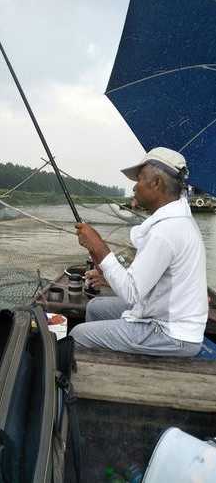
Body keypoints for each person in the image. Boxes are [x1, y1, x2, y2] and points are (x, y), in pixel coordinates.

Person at [70, 147, 208, 357]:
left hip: (173, 333)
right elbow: (145, 282)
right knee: (95, 307)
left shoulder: (167, 231)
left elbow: (131, 292)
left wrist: (98, 246)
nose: (135, 187)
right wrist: (106, 275)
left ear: (156, 183)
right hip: (167, 315)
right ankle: (107, 361)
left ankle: (98, 373)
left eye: (140, 179)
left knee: (78, 334)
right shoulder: (176, 222)